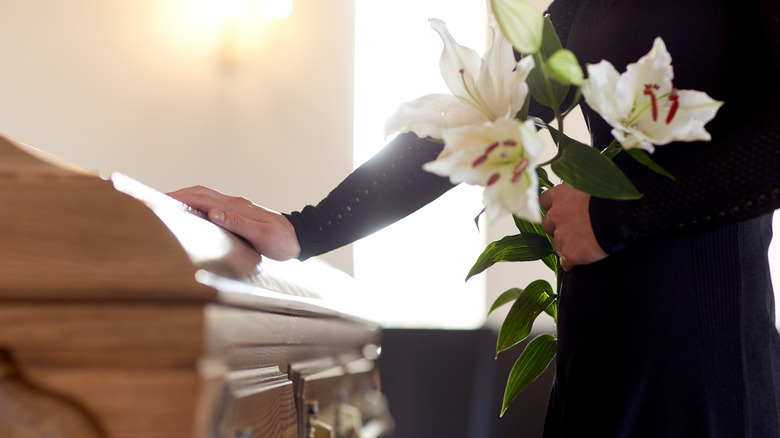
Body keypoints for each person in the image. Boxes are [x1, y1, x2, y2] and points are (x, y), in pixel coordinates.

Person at [170, 0, 780, 436]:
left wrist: (621, 216)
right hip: (600, 339)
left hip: (702, 348)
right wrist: (307, 229)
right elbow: (478, 116)